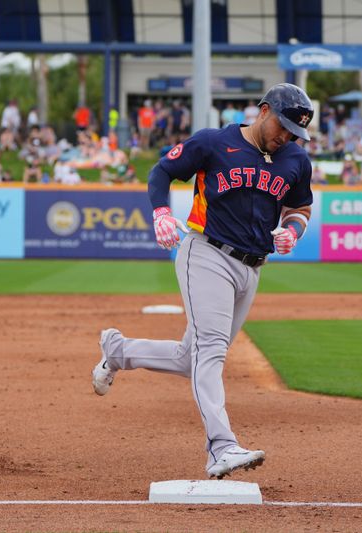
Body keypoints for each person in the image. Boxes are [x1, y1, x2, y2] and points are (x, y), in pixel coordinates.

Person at [91, 83, 314, 480]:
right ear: (263, 111)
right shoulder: (215, 143)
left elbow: (299, 207)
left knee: (190, 357)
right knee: (212, 351)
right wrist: (160, 211)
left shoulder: (295, 159)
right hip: (206, 252)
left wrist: (292, 231)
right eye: (282, 127)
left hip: (252, 268)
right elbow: (163, 170)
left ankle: (118, 351)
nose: (286, 137)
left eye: (294, 133)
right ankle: (221, 447)